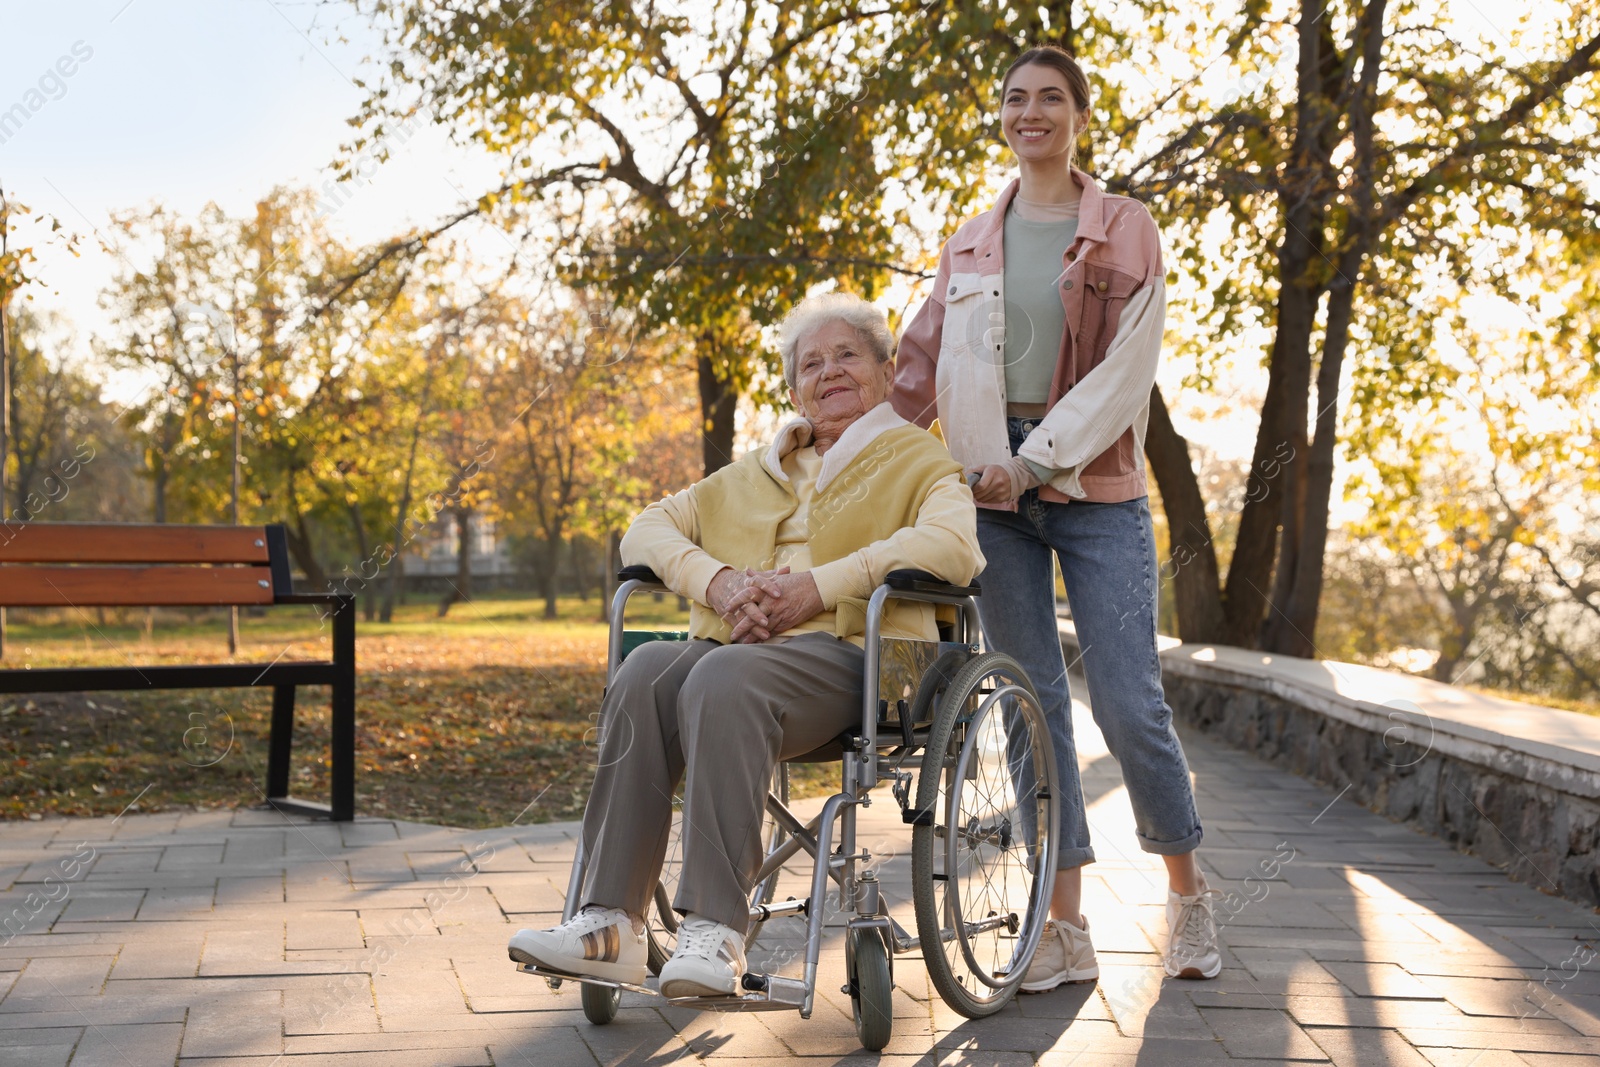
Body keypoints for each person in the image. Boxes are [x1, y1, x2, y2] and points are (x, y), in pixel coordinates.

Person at [508, 292, 984, 999]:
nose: (829, 371)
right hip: (741, 654)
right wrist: (722, 583)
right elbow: (644, 531)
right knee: (645, 668)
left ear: (886, 372)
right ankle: (611, 922)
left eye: (847, 354)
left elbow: (953, 546)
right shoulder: (748, 475)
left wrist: (818, 587)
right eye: (810, 363)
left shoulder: (920, 459)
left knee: (723, 676)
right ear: (792, 389)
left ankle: (715, 929)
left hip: (861, 656)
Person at [891, 44, 1221, 988]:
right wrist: (834, 433)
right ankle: (1064, 924)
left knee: (1126, 701)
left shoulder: (1127, 229)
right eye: (1013, 100)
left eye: (1048, 99)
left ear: (1079, 115)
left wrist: (1028, 461)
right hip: (992, 505)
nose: (1028, 112)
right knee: (1030, 710)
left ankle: (1188, 895)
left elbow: (1125, 377)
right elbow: (917, 366)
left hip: (1094, 492)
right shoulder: (972, 239)